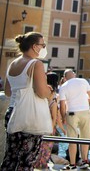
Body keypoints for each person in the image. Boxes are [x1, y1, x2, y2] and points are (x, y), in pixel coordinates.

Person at [1, 32, 52, 171]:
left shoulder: (13, 63)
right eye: (43, 45)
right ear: (35, 47)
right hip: (28, 116)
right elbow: (42, 93)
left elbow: (8, 91)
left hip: (12, 113)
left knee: (11, 157)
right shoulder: (36, 64)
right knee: (27, 160)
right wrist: (50, 91)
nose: (44, 48)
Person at [59, 69, 90, 169]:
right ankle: (85, 161)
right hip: (85, 112)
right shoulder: (83, 81)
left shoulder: (63, 86)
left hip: (72, 113)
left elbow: (62, 106)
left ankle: (73, 164)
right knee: (85, 137)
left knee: (72, 140)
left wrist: (63, 118)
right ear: (74, 75)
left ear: (65, 78)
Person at [33, 72, 64, 170]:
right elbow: (55, 117)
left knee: (40, 146)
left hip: (40, 122)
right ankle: (43, 165)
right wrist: (58, 128)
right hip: (49, 125)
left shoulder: (43, 90)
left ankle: (38, 163)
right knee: (47, 147)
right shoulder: (54, 95)